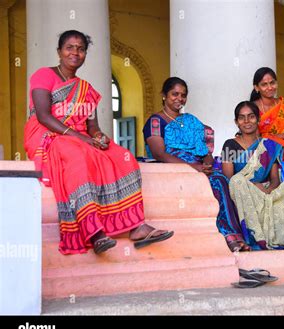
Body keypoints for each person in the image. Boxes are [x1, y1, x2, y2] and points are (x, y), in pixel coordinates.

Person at [24, 30, 173, 255]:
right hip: (48, 136)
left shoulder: (86, 89)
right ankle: (94, 232)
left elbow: (93, 128)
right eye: (70, 47)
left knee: (123, 156)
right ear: (59, 52)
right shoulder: (44, 75)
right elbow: (44, 116)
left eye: (81, 49)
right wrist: (81, 138)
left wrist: (99, 138)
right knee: (78, 155)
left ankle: (136, 225)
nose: (75, 52)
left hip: (79, 139)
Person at [143, 77, 249, 252]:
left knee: (221, 179)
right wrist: (193, 168)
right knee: (214, 183)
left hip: (198, 166)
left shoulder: (191, 121)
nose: (179, 99)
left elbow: (205, 151)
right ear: (164, 95)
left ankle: (235, 234)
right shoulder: (156, 121)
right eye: (174, 94)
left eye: (183, 95)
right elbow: (159, 153)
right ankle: (228, 236)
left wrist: (206, 163)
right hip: (174, 168)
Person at [222, 101, 284, 250]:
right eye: (242, 118)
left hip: (267, 191)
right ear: (236, 122)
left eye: (251, 117)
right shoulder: (229, 145)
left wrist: (267, 192)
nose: (247, 121)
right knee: (237, 180)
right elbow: (228, 181)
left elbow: (275, 180)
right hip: (243, 192)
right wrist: (252, 187)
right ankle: (258, 237)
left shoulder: (268, 145)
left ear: (258, 119)